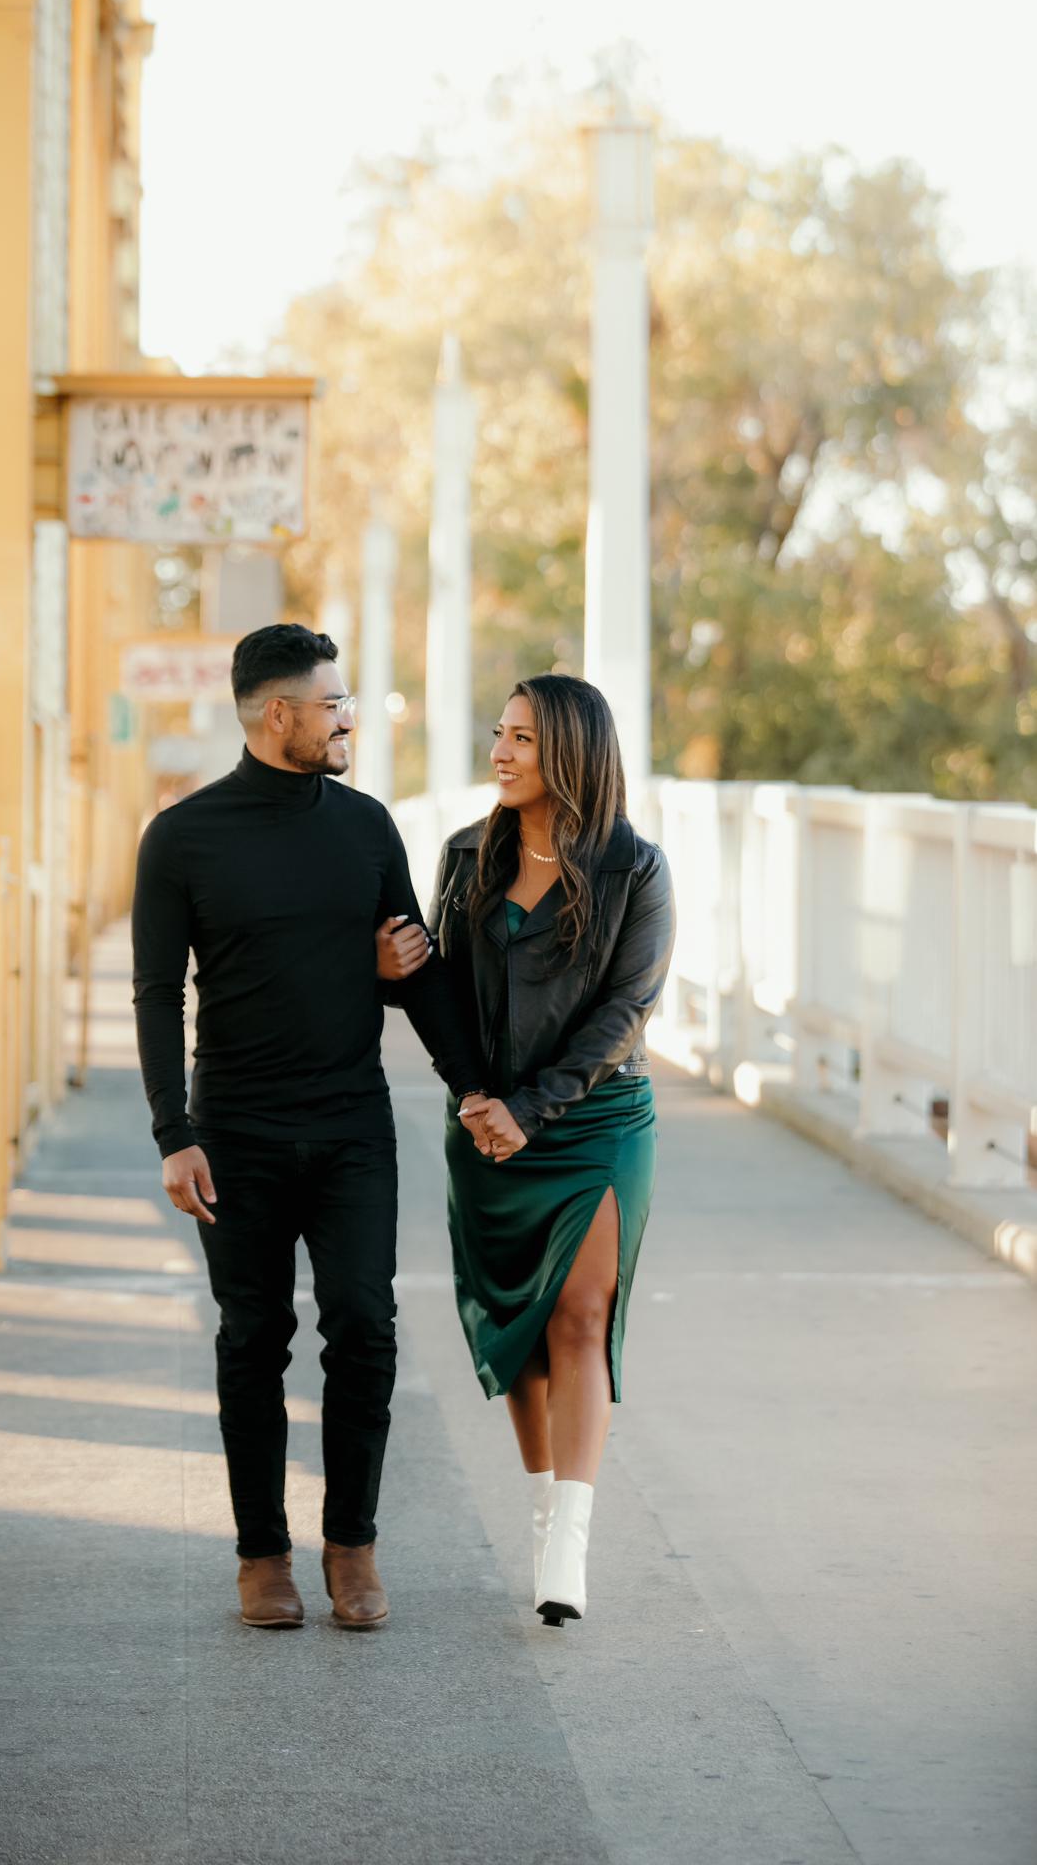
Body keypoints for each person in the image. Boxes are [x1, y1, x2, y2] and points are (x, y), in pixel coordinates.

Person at [131, 624, 488, 1631]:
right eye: (334, 705)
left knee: (364, 1326)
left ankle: (351, 1546)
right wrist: (173, 1132)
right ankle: (261, 1555)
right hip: (234, 1131)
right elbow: (157, 992)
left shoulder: (368, 827)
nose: (348, 721)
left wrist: (472, 1087)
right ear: (278, 713)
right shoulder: (182, 837)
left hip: (350, 1125)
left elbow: (414, 969)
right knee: (253, 1337)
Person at [430, 674, 675, 1627]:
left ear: (571, 752)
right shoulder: (465, 857)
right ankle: (542, 1507)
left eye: (522, 739)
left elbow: (626, 1011)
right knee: (519, 1325)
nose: (499, 751)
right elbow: (442, 995)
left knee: (579, 1317)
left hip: (596, 1119)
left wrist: (532, 1109)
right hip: (487, 1122)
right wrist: (477, 1099)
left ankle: (569, 1539)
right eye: (500, 733)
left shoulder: (636, 870)